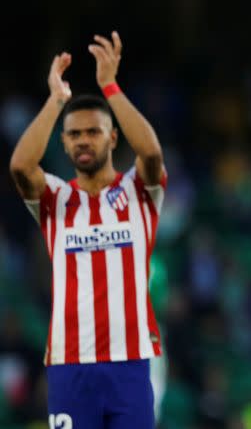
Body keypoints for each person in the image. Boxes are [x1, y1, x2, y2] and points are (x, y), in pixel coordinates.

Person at [9, 32, 166, 429]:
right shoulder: (56, 199)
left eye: (93, 132)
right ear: (62, 143)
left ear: (113, 138)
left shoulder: (138, 192)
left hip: (128, 363)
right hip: (69, 365)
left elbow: (151, 153)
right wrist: (56, 101)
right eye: (75, 134)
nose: (83, 141)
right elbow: (20, 167)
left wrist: (110, 87)